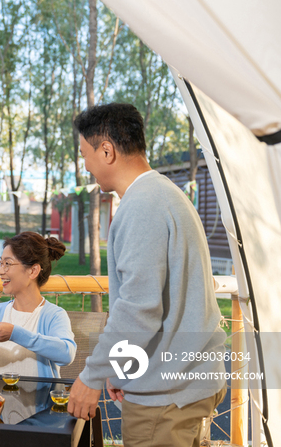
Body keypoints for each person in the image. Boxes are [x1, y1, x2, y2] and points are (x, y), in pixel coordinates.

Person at [68, 103, 227, 446]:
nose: (85, 166)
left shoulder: (142, 206)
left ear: (106, 151)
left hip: (166, 398)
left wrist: (93, 375)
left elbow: (139, 310)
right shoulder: (165, 195)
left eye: (85, 154)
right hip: (188, 383)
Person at [0, 232, 76, 381]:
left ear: (33, 271)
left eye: (8, 264)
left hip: (41, 404)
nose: (0, 271)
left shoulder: (54, 315)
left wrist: (14, 334)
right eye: (1, 263)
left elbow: (66, 354)